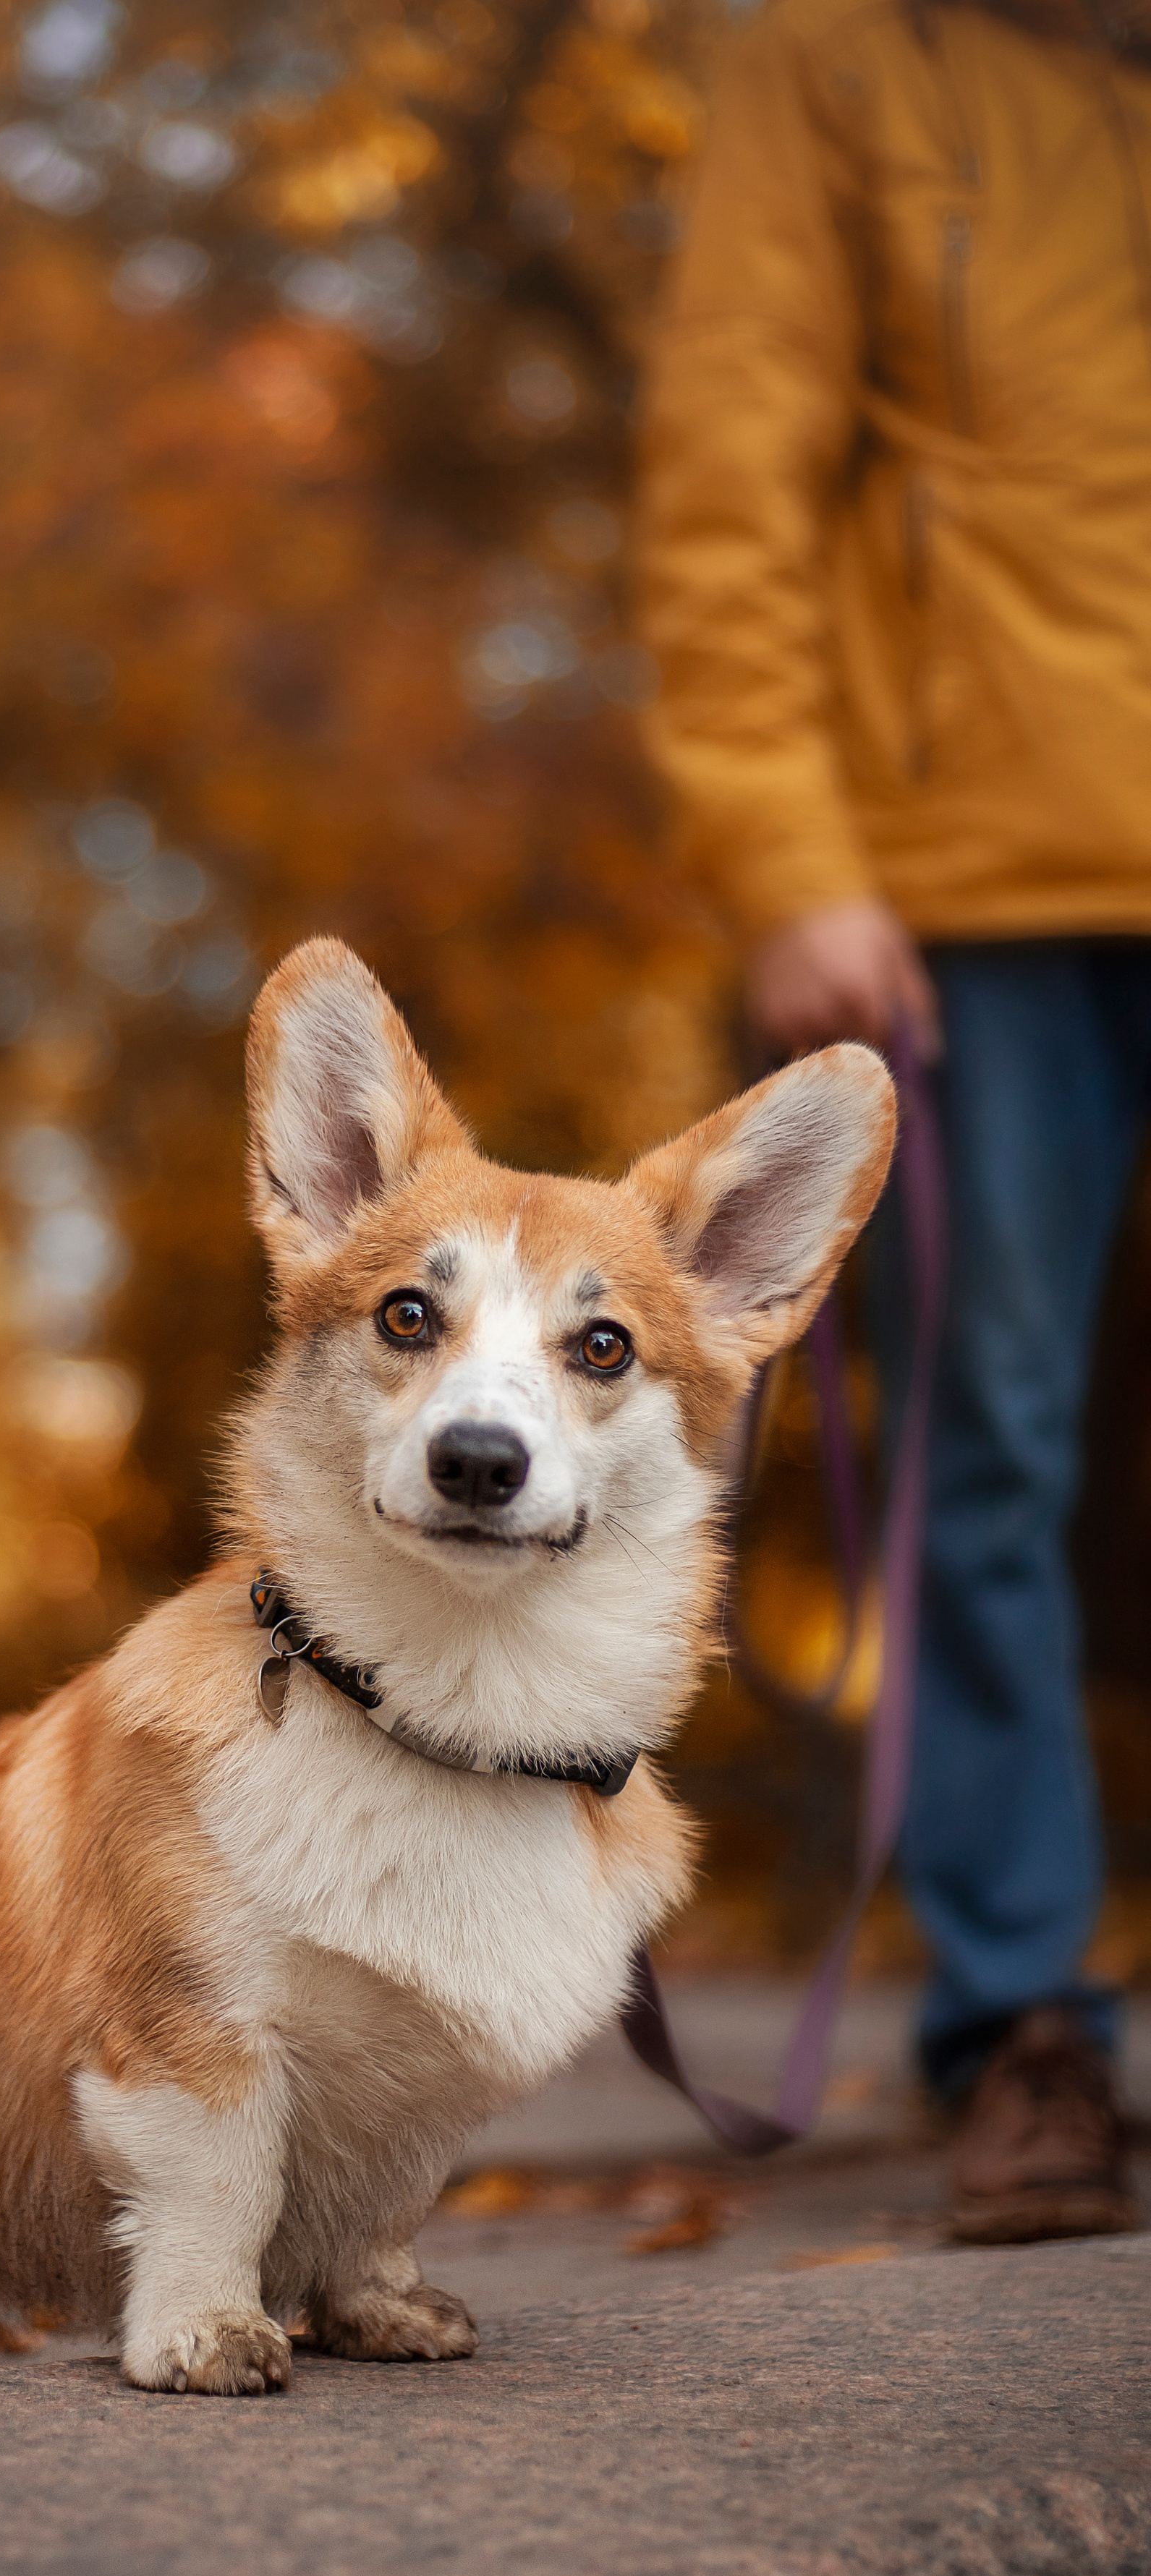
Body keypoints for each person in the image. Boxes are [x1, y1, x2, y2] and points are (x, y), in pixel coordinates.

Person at [637, 0, 1150, 2239]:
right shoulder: (838, 57)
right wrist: (790, 848)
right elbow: (727, 474)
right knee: (994, 1448)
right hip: (986, 883)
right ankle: (1025, 2020)